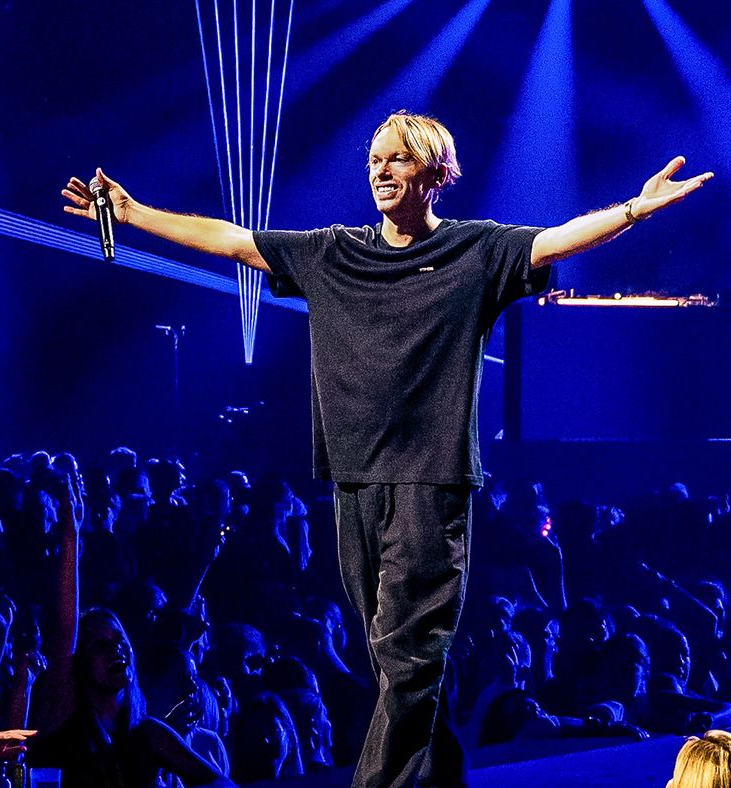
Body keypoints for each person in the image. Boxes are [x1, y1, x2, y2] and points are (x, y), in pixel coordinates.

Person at [62, 110, 712, 788]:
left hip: (431, 482)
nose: (380, 170)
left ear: (436, 172)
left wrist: (634, 208)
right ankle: (443, 776)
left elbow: (553, 242)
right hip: (354, 483)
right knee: (393, 658)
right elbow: (232, 240)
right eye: (374, 159)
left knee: (409, 659)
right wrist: (134, 213)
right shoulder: (333, 253)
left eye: (397, 158)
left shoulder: (475, 251)